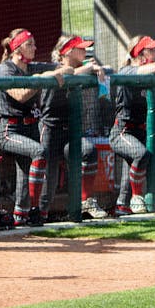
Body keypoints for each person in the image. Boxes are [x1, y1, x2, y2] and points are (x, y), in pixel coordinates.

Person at [0, 28, 70, 226]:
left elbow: (66, 67)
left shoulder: (33, 67)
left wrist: (57, 71)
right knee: (39, 151)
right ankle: (35, 210)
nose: (35, 48)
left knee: (26, 172)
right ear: (17, 48)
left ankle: (21, 216)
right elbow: (20, 95)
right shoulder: (5, 68)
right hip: (9, 130)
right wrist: (44, 78)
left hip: (30, 128)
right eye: (30, 44)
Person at [38, 34, 109, 220]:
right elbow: (67, 72)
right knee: (49, 178)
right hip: (50, 128)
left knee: (88, 151)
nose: (85, 51)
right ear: (67, 51)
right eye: (81, 48)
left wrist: (93, 68)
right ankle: (39, 215)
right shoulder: (54, 67)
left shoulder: (84, 68)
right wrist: (88, 68)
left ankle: (85, 202)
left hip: (71, 130)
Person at [111, 34, 155, 215]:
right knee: (140, 154)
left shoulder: (153, 69)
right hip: (122, 131)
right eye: (150, 49)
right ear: (139, 53)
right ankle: (135, 199)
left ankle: (129, 203)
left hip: (144, 131)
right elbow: (150, 69)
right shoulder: (126, 70)